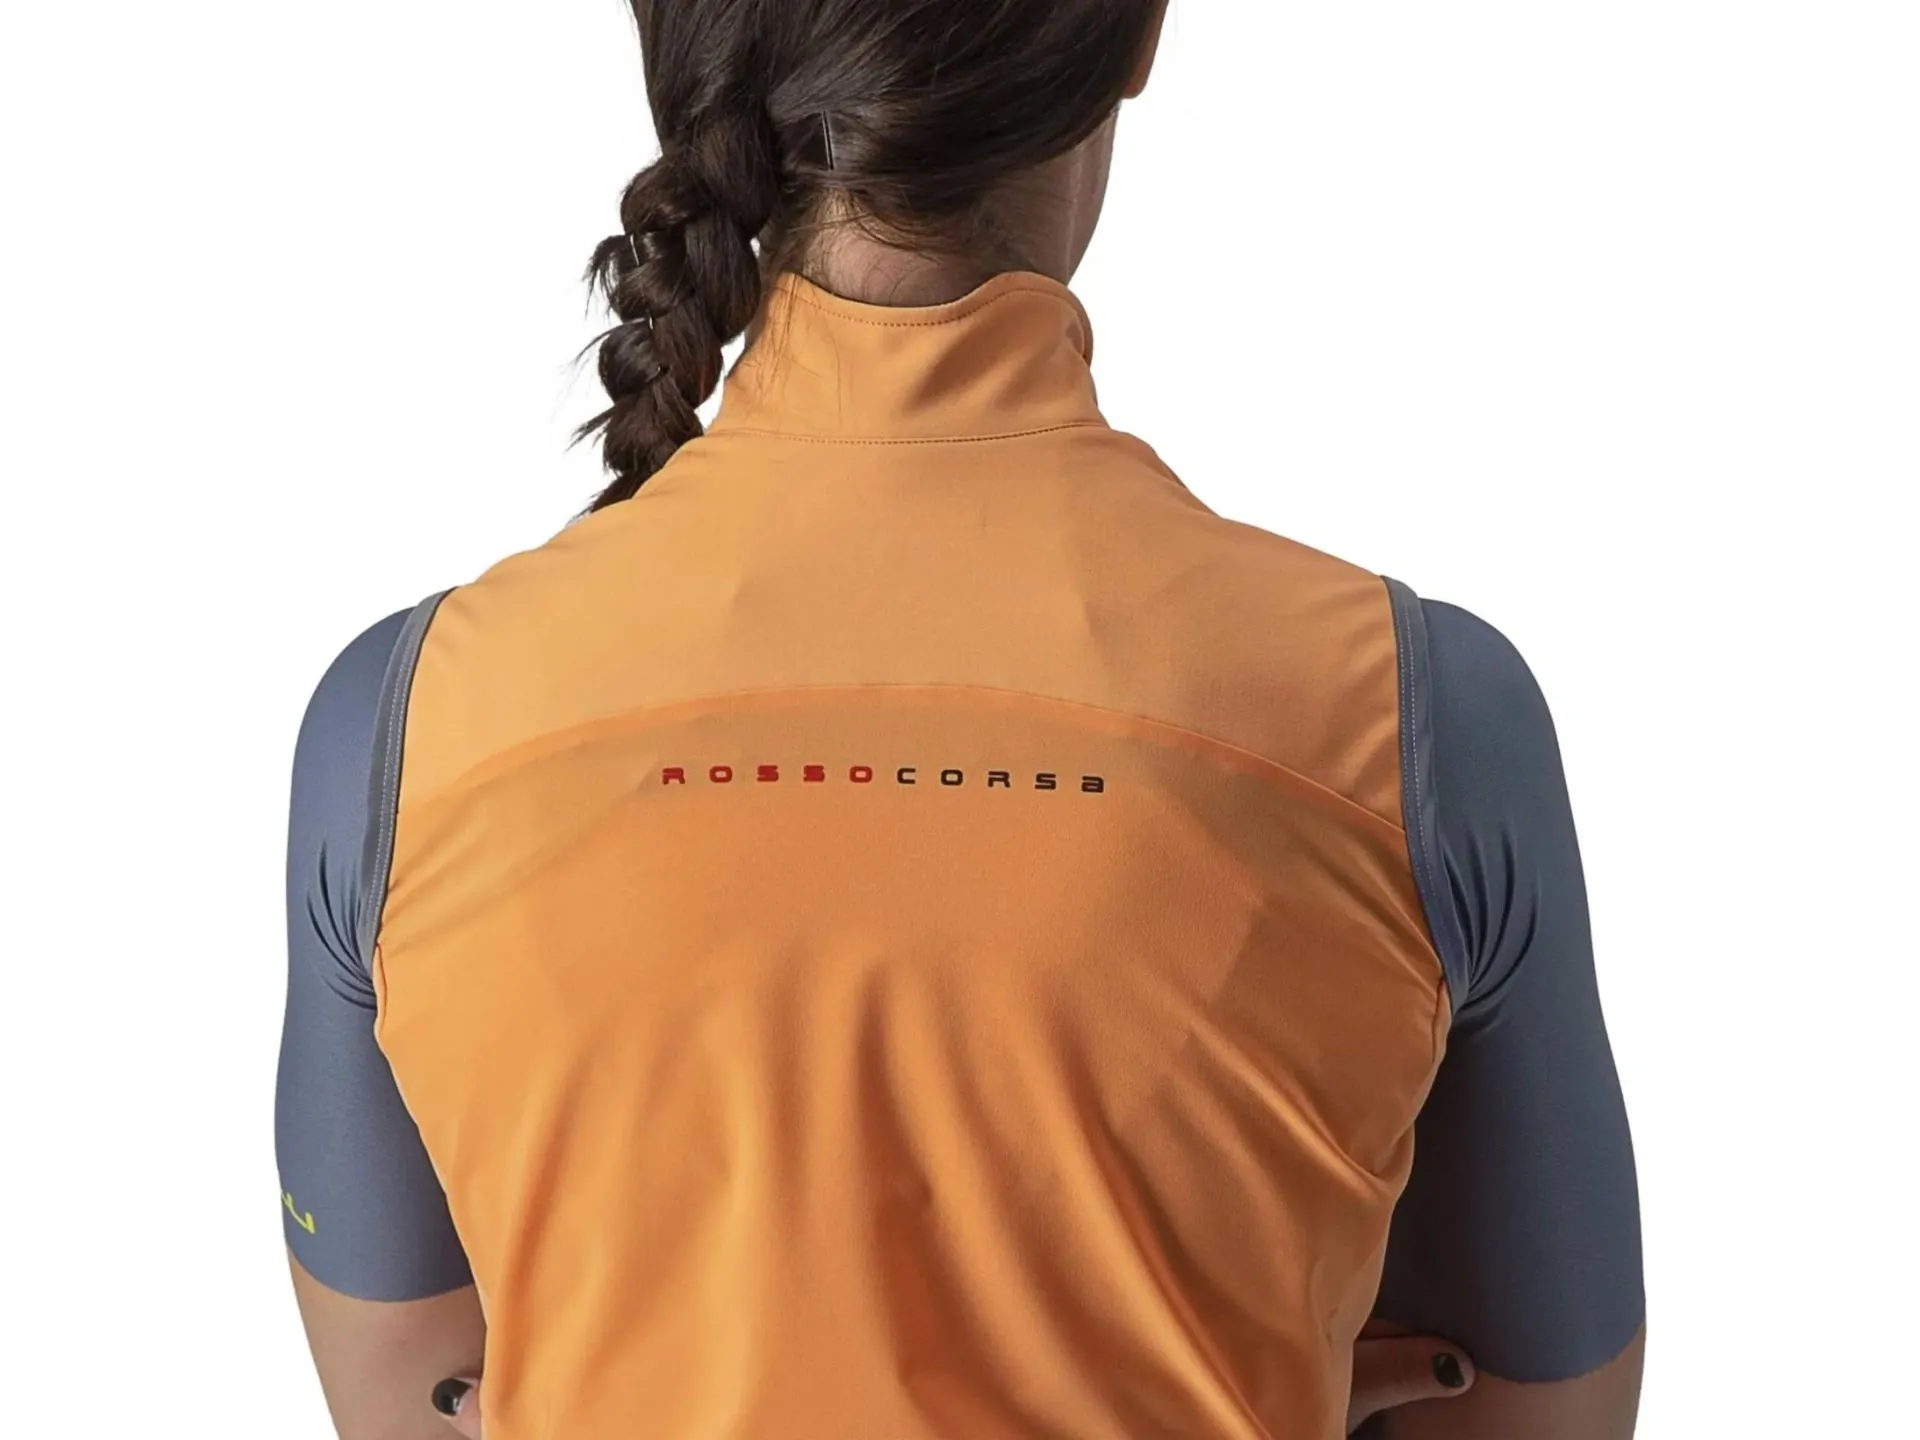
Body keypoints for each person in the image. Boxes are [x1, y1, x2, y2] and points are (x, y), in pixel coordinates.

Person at [274, 2, 1645, 1436]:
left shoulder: (405, 722)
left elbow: (420, 1396)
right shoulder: (1415, 714)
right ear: (1136, 39)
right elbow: (1531, 1404)